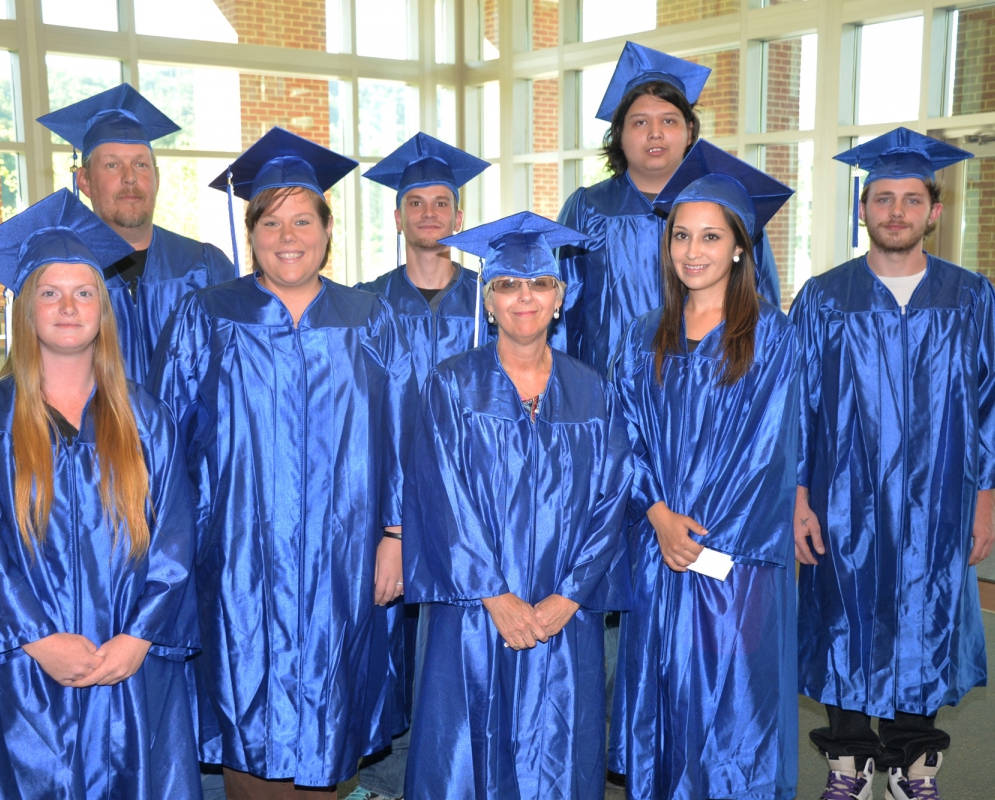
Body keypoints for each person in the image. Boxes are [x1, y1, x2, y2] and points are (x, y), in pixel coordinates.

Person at [149, 127, 418, 800]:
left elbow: (409, 438)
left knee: (337, 711)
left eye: (304, 219)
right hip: (237, 559)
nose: (288, 235)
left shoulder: (371, 319)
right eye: (271, 221)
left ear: (329, 230)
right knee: (247, 709)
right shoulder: (206, 316)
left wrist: (397, 535)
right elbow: (164, 441)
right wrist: (173, 551)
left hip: (347, 557)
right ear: (252, 232)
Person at [0, 189, 201, 799]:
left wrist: (139, 637)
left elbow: (175, 537)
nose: (68, 307)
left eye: (84, 293)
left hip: (131, 663)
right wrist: (40, 641)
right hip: (26, 668)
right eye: (49, 293)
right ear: (25, 310)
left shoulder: (147, 420)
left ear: (104, 310)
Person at [791, 128, 995, 800]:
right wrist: (798, 499)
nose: (895, 211)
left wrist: (985, 503)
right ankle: (849, 762)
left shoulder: (970, 296)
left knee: (924, 617)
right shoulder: (823, 298)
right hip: (844, 499)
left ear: (934, 210)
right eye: (882, 198)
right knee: (843, 615)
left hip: (941, 499)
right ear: (862, 210)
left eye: (910, 199)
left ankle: (913, 762)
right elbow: (794, 406)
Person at [402, 211, 633, 800]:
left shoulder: (593, 390)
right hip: (475, 610)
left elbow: (612, 501)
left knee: (559, 749)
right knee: (468, 748)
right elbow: (440, 495)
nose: (523, 298)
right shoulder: (451, 386)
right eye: (507, 285)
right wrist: (495, 594)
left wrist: (569, 596)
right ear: (488, 301)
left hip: (563, 611)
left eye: (538, 284)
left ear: (560, 296)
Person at [609, 141, 800, 800]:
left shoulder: (772, 337)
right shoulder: (642, 336)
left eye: (711, 237)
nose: (693, 250)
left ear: (740, 247)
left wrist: (705, 545)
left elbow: (768, 452)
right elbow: (620, 439)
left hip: (735, 561)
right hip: (657, 546)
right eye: (681, 235)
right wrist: (658, 515)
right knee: (665, 692)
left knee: (732, 700)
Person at [348, 132, 491, 800]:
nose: (430, 213)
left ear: (459, 217)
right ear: (397, 217)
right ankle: (379, 775)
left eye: (442, 202)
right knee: (383, 641)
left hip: (472, 502)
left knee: (457, 643)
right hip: (385, 501)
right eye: (416, 203)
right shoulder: (363, 305)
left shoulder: (493, 302)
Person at [555, 41, 781, 378]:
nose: (655, 133)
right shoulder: (589, 208)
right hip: (608, 392)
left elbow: (759, 300)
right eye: (640, 122)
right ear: (618, 134)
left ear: (690, 132)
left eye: (669, 121)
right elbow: (561, 310)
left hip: (712, 389)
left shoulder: (726, 206)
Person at [38, 83, 236, 384]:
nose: (130, 178)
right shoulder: (58, 274)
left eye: (141, 165)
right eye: (112, 165)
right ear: (85, 181)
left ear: (157, 178)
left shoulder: (206, 267)